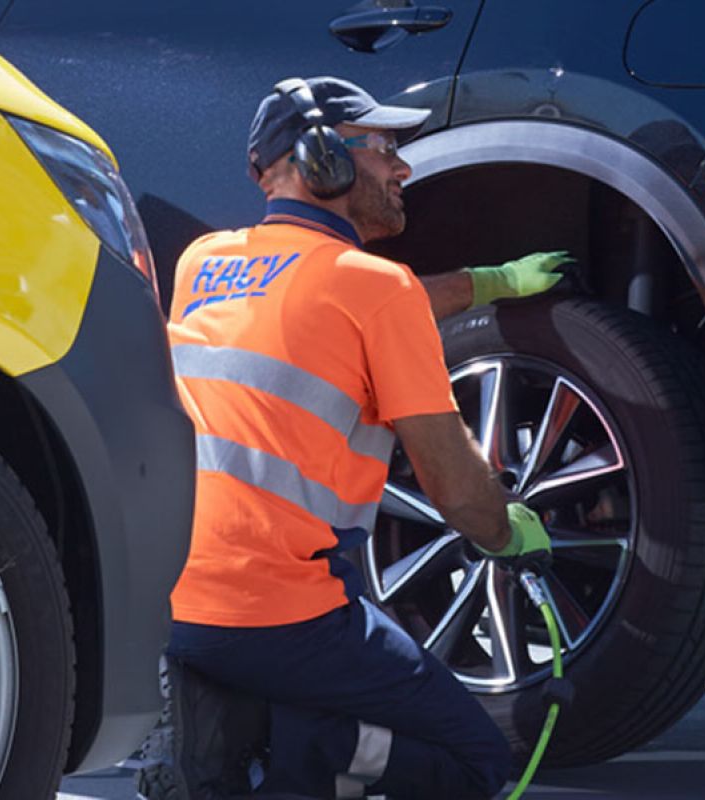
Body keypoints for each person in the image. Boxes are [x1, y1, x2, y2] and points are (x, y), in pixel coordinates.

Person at [146, 76, 565, 799]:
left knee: (318, 700)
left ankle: (238, 725)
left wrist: (488, 282)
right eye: (382, 149)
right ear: (321, 161)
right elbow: (455, 491)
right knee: (477, 764)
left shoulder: (202, 263)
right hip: (285, 614)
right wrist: (503, 530)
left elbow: (321, 300)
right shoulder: (377, 290)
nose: (402, 168)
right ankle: (269, 741)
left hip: (172, 606)